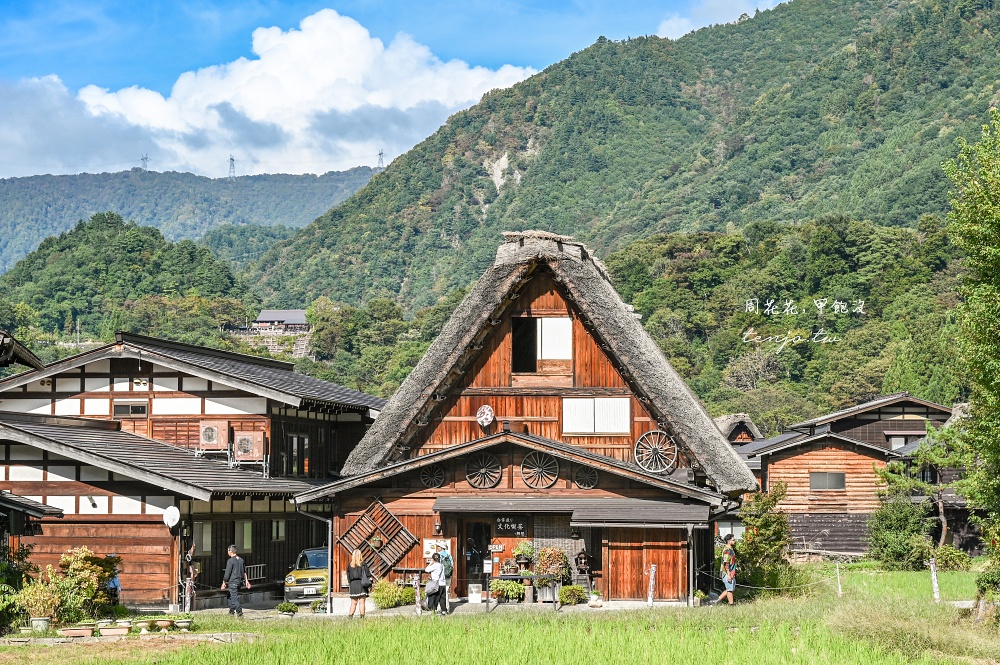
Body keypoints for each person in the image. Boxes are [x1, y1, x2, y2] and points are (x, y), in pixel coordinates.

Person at [221, 545, 251, 617]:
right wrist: (247, 581)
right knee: (230, 596)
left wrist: (224, 582)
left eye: (228, 550)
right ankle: (231, 612)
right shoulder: (241, 560)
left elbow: (227, 573)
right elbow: (244, 572)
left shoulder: (230, 561)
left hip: (233, 582)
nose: (227, 552)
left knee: (234, 599)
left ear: (230, 551)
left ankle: (240, 614)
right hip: (240, 582)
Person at [346, 549, 372, 618]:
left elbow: (348, 577)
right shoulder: (363, 564)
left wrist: (350, 584)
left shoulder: (349, 565)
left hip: (353, 585)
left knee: (353, 603)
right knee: (362, 603)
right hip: (362, 584)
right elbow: (368, 575)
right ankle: (362, 618)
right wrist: (370, 584)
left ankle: (350, 617)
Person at [424, 552, 447, 616]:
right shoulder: (442, 565)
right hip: (443, 583)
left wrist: (430, 564)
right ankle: (444, 610)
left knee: (435, 597)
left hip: (437, 584)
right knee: (442, 598)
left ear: (433, 559)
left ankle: (433, 610)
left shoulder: (435, 565)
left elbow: (426, 570)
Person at [718, 533, 737, 605]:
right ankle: (731, 605)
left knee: (730, 589)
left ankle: (716, 601)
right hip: (727, 573)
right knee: (730, 590)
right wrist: (729, 575)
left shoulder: (730, 549)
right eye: (733, 540)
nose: (735, 541)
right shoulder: (727, 551)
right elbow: (726, 563)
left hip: (731, 573)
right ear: (729, 541)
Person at [435, 543, 453, 613]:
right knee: (446, 591)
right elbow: (452, 566)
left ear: (441, 547)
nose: (437, 547)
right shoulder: (449, 556)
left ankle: (440, 608)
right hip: (448, 576)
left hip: (440, 577)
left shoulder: (438, 555)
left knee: (440, 592)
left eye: (438, 546)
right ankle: (447, 608)